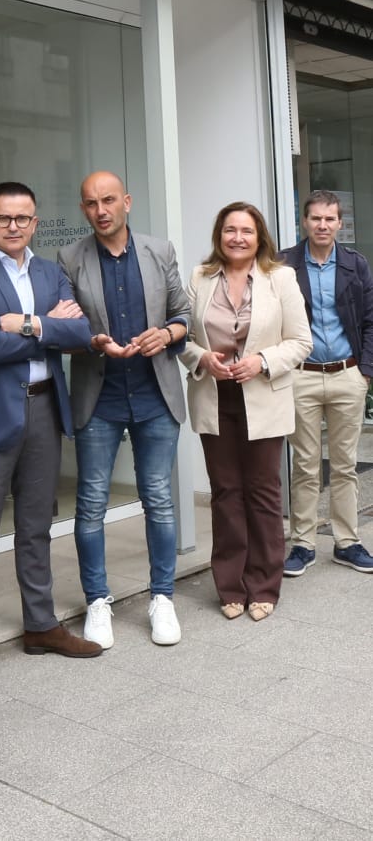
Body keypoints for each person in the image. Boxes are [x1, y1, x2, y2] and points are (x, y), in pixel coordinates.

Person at [0, 181, 102, 705]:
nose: (14, 226)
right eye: (4, 218)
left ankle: (40, 624)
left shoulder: (50, 273)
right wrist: (50, 328)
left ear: (35, 223)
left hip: (43, 410)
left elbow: (82, 335)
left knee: (36, 527)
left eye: (23, 218)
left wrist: (27, 323)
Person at [58, 171, 189, 649]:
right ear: (83, 208)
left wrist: (167, 334)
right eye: (91, 203)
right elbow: (64, 327)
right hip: (100, 397)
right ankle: (97, 601)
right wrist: (93, 340)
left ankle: (162, 597)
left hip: (155, 394)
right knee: (91, 502)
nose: (101, 210)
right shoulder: (70, 257)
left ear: (126, 202)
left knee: (158, 498)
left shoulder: (159, 251)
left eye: (109, 200)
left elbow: (184, 315)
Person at [179, 202, 311, 620]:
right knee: (225, 493)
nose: (237, 238)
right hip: (214, 397)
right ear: (219, 235)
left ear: (259, 238)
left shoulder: (280, 277)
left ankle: (264, 585)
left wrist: (262, 361)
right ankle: (231, 586)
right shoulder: (199, 278)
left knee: (263, 493)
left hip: (263, 395)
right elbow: (181, 338)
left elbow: (301, 341)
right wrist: (202, 358)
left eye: (246, 231)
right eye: (230, 230)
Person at [280, 190, 373, 576]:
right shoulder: (284, 264)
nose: (322, 225)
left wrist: (365, 372)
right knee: (304, 465)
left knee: (345, 464)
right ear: (304, 221)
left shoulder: (355, 264)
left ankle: (346, 542)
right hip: (300, 376)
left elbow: (370, 319)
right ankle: (302, 544)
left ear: (339, 223)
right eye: (316, 218)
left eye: (329, 219)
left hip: (347, 374)